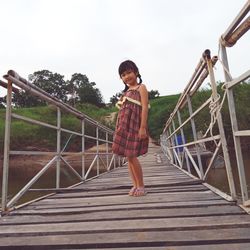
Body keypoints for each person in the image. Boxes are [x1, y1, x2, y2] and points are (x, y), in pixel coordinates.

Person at [112, 60, 149, 196]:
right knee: (128, 157)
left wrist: (142, 127)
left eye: (129, 73)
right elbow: (122, 112)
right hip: (124, 127)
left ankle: (141, 186)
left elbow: (144, 108)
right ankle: (134, 185)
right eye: (123, 75)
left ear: (136, 72)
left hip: (135, 126)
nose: (127, 76)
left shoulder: (141, 88)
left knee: (132, 156)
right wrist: (118, 128)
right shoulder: (126, 92)